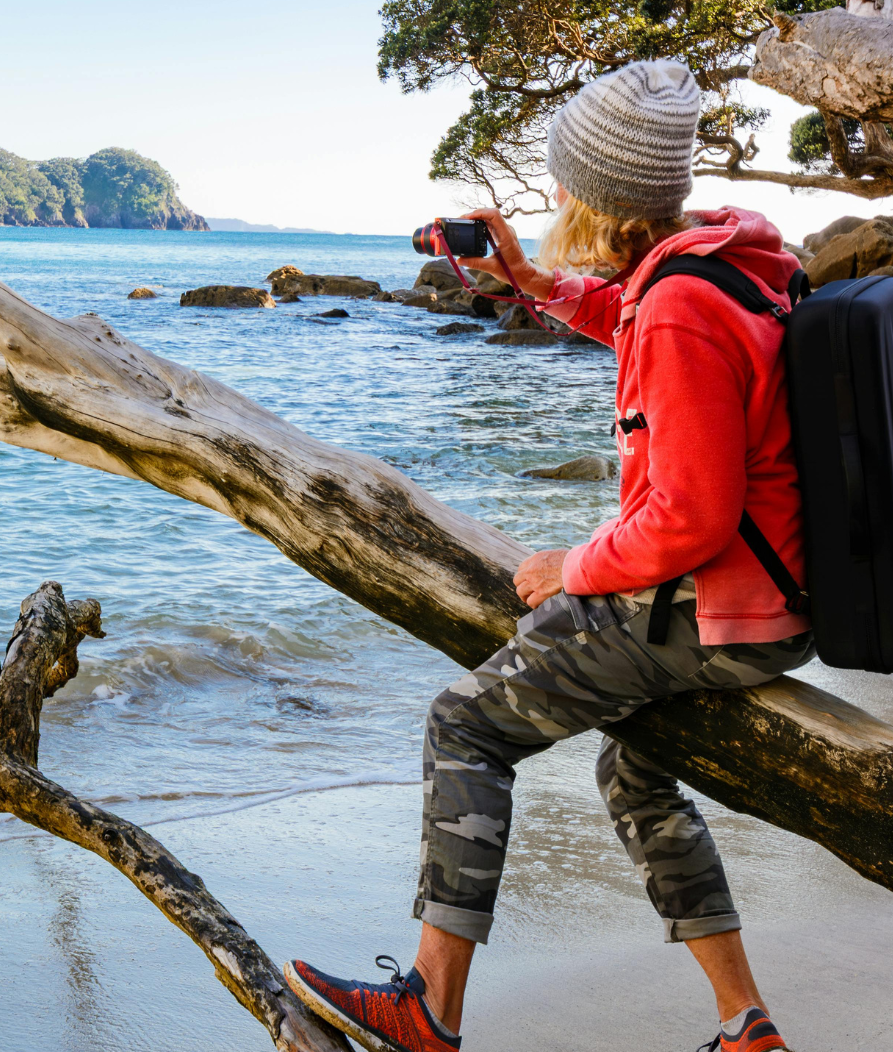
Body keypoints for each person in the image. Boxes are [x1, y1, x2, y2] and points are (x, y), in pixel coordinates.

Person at [285, 61, 811, 1052]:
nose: (555, 197)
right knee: (634, 768)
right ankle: (746, 1025)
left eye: (565, 183)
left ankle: (429, 1011)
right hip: (768, 602)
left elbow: (691, 520)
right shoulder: (719, 267)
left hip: (712, 613)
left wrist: (570, 567)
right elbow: (633, 321)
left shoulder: (680, 309)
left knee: (463, 726)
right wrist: (529, 285)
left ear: (603, 196)